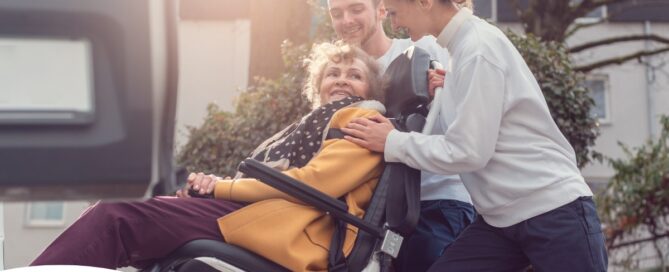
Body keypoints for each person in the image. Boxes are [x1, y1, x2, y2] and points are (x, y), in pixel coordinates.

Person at [31, 41, 388, 272]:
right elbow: (255, 177)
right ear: (317, 86)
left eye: (354, 75)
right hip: (260, 211)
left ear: (370, 89)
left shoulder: (363, 119)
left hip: (294, 227)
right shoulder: (304, 126)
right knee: (121, 208)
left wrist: (221, 189)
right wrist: (212, 186)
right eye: (333, 74)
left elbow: (314, 184)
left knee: (117, 214)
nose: (341, 81)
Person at [341, 0, 609, 271]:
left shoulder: (478, 49)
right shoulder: (461, 51)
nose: (394, 24)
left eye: (395, 13)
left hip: (553, 210)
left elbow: (468, 151)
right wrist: (446, 93)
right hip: (501, 220)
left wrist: (392, 141)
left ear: (424, 2)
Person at [327, 0, 475, 270]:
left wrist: (446, 90)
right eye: (337, 13)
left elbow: (468, 122)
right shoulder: (341, 76)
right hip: (376, 216)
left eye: (356, 9)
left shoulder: (424, 49)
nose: (346, 20)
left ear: (381, 10)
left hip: (435, 201)